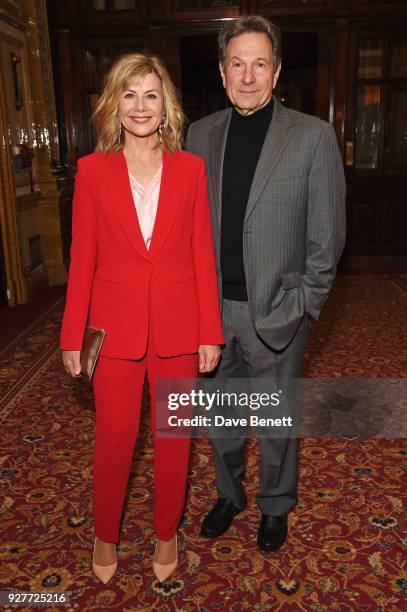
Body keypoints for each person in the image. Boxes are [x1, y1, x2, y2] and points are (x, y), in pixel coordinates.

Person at [60, 53, 224, 584]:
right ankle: (105, 535)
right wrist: (70, 336)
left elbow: (203, 254)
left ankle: (165, 532)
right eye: (129, 94)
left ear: (166, 105)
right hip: (114, 332)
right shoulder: (91, 171)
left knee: (175, 443)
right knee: (113, 439)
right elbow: (82, 257)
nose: (140, 106)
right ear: (114, 103)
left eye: (150, 94)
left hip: (179, 329)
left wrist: (209, 331)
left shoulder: (191, 169)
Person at [186, 16, 346, 552]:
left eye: (259, 64)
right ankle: (229, 495)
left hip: (278, 311)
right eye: (237, 63)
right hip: (212, 311)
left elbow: (328, 236)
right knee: (222, 416)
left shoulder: (312, 136)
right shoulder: (199, 135)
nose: (247, 76)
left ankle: (275, 504)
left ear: (276, 72)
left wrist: (304, 304)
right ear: (222, 71)